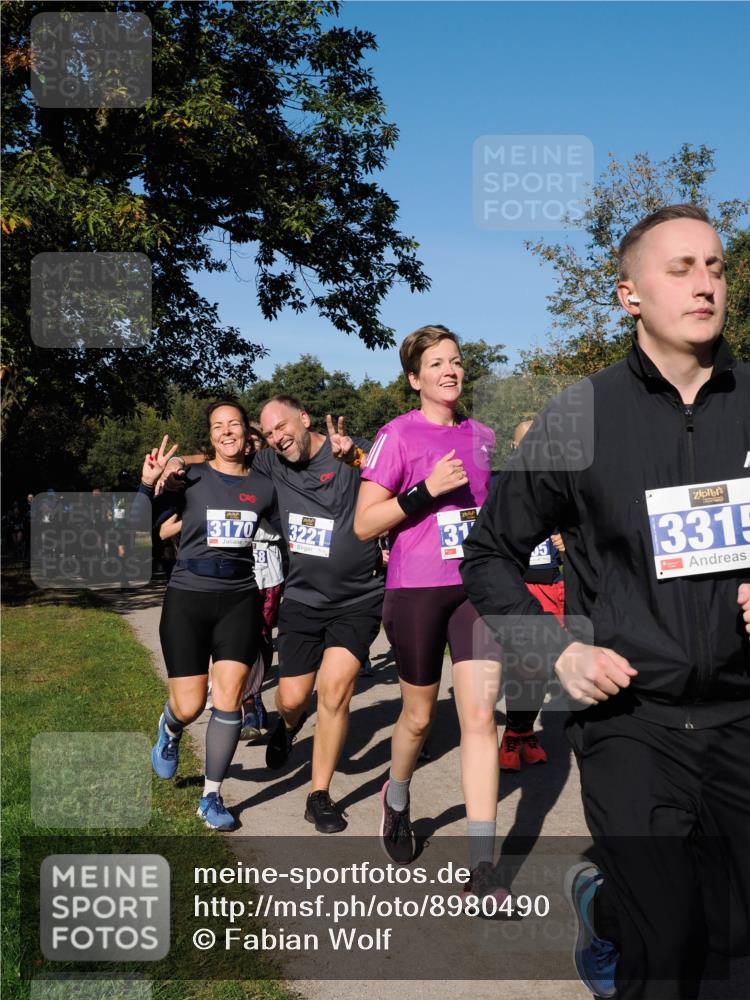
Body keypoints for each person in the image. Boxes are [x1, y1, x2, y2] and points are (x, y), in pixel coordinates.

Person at [461, 205, 750, 998]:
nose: (705, 284)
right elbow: (488, 554)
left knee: (735, 942)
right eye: (681, 268)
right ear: (630, 295)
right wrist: (559, 649)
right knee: (668, 945)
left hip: (740, 712)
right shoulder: (578, 416)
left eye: (716, 267)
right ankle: (624, 919)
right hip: (632, 720)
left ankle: (607, 911)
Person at [354, 324, 507, 905]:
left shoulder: (485, 436)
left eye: (457, 360)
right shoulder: (396, 435)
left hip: (473, 590)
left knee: (479, 716)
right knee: (418, 718)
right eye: (437, 363)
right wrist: (425, 491)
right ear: (415, 378)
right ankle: (396, 795)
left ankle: (483, 865)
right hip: (416, 589)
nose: (451, 370)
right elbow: (365, 524)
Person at [145, 401, 277, 831]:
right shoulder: (190, 477)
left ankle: (211, 796)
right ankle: (170, 727)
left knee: (229, 697)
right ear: (210, 435)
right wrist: (148, 485)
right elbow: (146, 525)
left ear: (246, 433)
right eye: (218, 426)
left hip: (239, 599)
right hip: (187, 598)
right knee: (189, 702)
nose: (226, 432)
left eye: (233, 425)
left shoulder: (264, 487)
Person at [255, 396, 383, 834]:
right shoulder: (270, 465)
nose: (277, 438)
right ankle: (289, 727)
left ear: (305, 419)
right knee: (292, 698)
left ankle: (319, 795)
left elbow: (396, 476)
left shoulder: (350, 449)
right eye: (269, 433)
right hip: (303, 601)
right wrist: (175, 480)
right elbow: (227, 474)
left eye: (282, 427)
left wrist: (357, 458)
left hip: (358, 599)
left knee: (334, 692)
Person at [499, 417, 565, 771]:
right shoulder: (501, 486)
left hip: (552, 586)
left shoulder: (560, 484)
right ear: (513, 448)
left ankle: (523, 731)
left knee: (540, 669)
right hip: (519, 588)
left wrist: (569, 541)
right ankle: (514, 733)